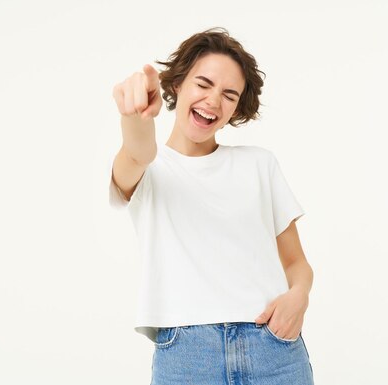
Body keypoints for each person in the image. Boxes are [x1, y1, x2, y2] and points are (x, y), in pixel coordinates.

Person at [108, 27, 315, 384]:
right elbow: (139, 151)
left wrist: (299, 297)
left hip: (273, 346)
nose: (213, 102)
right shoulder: (150, 170)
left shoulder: (259, 164)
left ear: (236, 107)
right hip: (188, 356)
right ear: (178, 85)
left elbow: (297, 263)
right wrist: (136, 115)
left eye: (229, 95)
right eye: (203, 84)